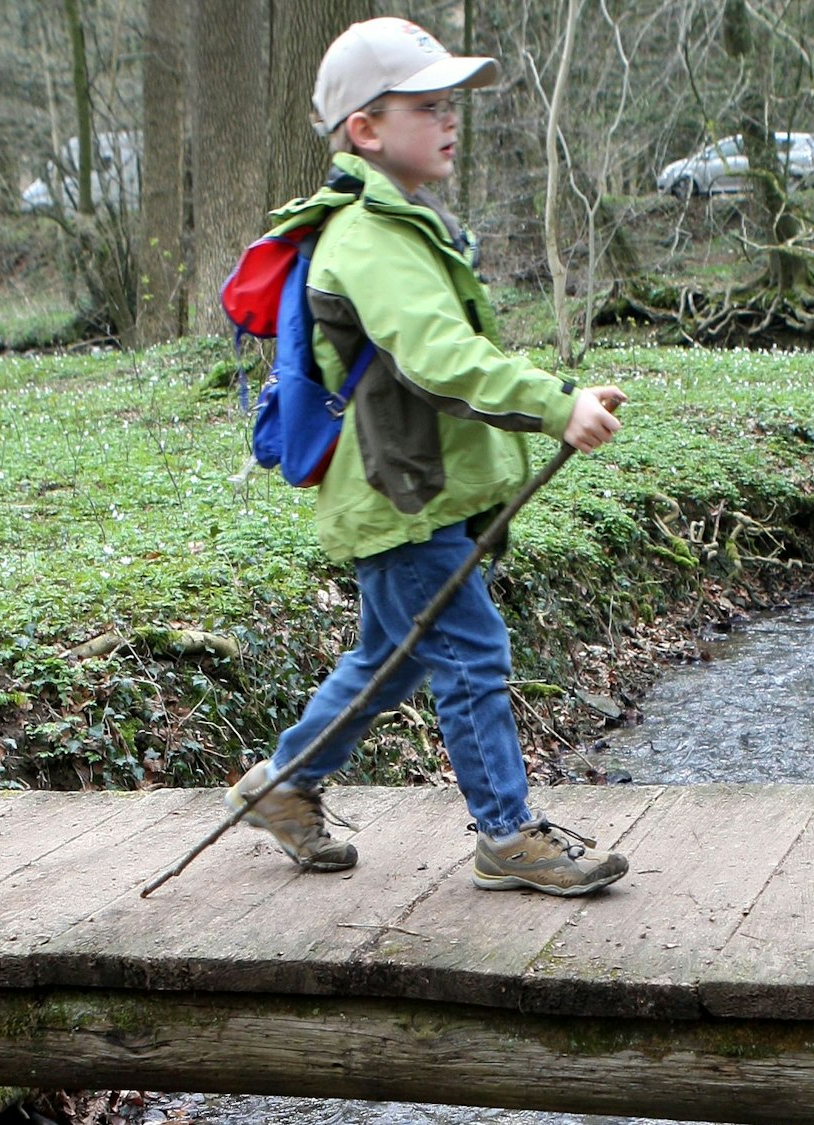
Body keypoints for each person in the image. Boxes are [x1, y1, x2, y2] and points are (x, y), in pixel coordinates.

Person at [226, 17, 630, 897]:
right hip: (399, 497)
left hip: (404, 492)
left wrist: (554, 399)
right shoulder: (370, 239)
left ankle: (286, 783)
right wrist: (554, 406)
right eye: (428, 106)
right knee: (472, 650)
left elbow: (440, 354)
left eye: (453, 105)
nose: (451, 121)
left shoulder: (399, 226)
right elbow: (440, 358)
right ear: (365, 130)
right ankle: (506, 835)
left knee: (393, 657)